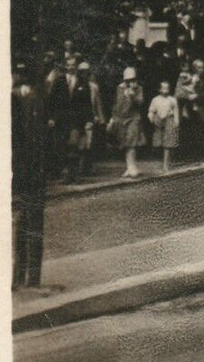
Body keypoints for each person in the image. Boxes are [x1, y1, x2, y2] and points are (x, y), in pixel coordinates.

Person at [12, 62, 48, 289]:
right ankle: (30, 278)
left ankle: (20, 277)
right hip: (32, 170)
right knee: (32, 223)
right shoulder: (36, 99)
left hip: (23, 171)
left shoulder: (17, 99)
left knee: (23, 222)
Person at [48, 53, 99, 183]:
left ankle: (73, 175)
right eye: (69, 65)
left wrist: (89, 120)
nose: (71, 67)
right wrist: (51, 118)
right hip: (61, 119)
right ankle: (65, 174)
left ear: (76, 66)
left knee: (73, 145)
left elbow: (87, 103)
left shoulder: (82, 81)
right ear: (65, 66)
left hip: (76, 120)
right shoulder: (59, 81)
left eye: (73, 65)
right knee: (61, 146)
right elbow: (52, 101)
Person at [108, 67, 147, 178]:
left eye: (132, 79)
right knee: (125, 143)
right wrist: (113, 117)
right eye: (128, 80)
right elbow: (117, 105)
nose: (130, 82)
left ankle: (132, 167)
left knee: (132, 141)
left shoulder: (139, 88)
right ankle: (130, 167)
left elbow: (140, 102)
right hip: (121, 118)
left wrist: (132, 95)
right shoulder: (119, 88)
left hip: (133, 118)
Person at [147, 80, 180, 173]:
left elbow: (176, 111)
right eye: (163, 88)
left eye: (167, 88)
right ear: (159, 89)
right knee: (158, 143)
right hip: (158, 121)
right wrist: (151, 118)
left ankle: (166, 164)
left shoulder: (172, 100)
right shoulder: (155, 99)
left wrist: (177, 122)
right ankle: (160, 161)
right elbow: (151, 111)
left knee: (168, 143)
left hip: (169, 120)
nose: (165, 90)